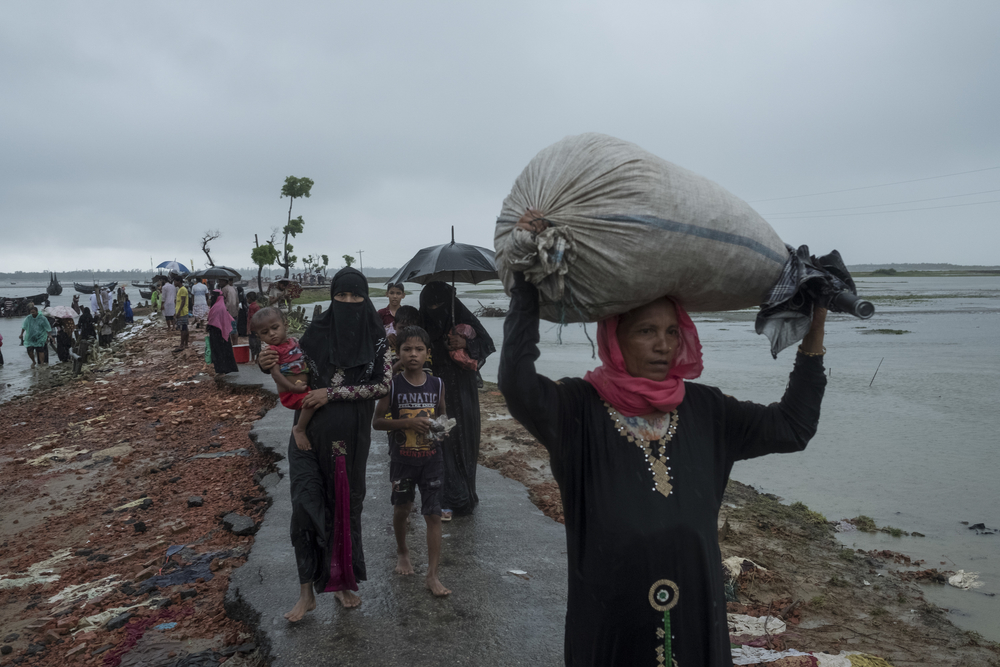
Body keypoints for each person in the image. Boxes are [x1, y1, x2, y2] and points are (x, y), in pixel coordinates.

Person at [498, 222, 828, 667]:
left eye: (672, 332)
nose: (663, 345)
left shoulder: (706, 408)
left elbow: (793, 426)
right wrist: (526, 290)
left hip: (696, 612)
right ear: (615, 337)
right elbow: (517, 383)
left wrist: (815, 332)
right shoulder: (576, 408)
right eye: (646, 331)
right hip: (611, 617)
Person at [257, 267, 391, 620]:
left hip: (350, 437)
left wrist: (332, 392)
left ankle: (343, 581)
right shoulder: (315, 333)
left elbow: (383, 386)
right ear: (332, 296)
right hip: (307, 434)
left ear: (365, 298)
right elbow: (290, 364)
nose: (348, 302)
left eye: (355, 295)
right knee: (304, 505)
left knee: (344, 508)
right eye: (341, 295)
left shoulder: (377, 339)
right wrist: (265, 363)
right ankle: (306, 592)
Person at [373, 326, 451, 597]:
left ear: (428, 354)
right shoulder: (391, 386)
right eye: (407, 349)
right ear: (399, 353)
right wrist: (408, 422)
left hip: (432, 460)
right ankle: (402, 551)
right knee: (402, 509)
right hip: (403, 460)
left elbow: (442, 417)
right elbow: (377, 422)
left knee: (433, 515)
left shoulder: (437, 384)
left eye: (419, 350)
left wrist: (441, 431)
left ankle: (432, 574)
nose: (413, 354)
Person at [418, 282, 495, 517]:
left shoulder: (463, 318)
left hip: (463, 391)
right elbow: (410, 349)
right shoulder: (421, 324)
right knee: (440, 441)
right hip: (433, 390)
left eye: (439, 304)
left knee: (463, 441)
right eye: (429, 304)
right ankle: (446, 498)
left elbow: (487, 344)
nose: (434, 309)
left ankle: (465, 494)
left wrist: (465, 343)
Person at [251, 306, 315, 451]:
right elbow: (276, 375)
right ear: (260, 337)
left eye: (275, 328)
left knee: (312, 402)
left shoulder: (295, 341)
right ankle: (299, 428)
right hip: (291, 392)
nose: (272, 334)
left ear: (285, 325)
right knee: (311, 403)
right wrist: (292, 388)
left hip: (301, 388)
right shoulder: (272, 351)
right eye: (265, 333)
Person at [205, 290, 238, 375]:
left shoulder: (217, 308)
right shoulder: (220, 306)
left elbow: (214, 322)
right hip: (221, 333)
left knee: (218, 351)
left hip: (217, 333)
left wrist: (208, 326)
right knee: (224, 351)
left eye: (212, 297)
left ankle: (221, 369)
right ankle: (226, 368)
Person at [220, 278, 239, 344]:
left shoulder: (224, 289)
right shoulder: (233, 288)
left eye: (220, 281)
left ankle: (229, 345)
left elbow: (222, 302)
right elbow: (237, 301)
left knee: (227, 330)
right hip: (234, 312)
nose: (219, 283)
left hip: (228, 312)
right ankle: (235, 344)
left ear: (225, 281)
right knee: (234, 330)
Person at [174, 277, 190, 350]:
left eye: (175, 281)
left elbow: (183, 301)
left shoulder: (183, 289)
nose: (174, 283)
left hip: (182, 312)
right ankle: (185, 344)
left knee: (183, 329)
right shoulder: (180, 289)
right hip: (182, 311)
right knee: (185, 328)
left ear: (178, 281)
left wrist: (179, 311)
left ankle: (182, 344)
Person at [246, 292, 262, 362]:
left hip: (253, 328)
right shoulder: (257, 306)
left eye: (247, 298)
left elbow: (250, 318)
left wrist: (248, 328)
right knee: (258, 343)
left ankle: (252, 359)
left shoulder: (251, 307)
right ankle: (257, 358)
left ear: (249, 298)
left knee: (252, 343)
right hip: (258, 327)